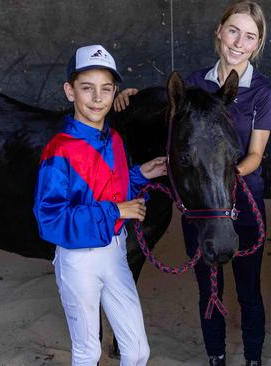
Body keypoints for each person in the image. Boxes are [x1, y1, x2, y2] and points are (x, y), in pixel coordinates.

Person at [114, 2, 271, 365]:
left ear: (257, 43)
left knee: (249, 290)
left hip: (242, 200)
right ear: (219, 31)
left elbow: (254, 156)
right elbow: (166, 113)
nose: (238, 42)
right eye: (233, 30)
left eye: (249, 36)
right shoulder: (192, 83)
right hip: (200, 206)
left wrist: (219, 176)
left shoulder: (263, 92)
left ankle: (253, 359)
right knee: (208, 288)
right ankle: (216, 357)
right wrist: (128, 96)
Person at [33, 44, 167, 366]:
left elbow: (111, 187)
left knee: (137, 351)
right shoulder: (59, 149)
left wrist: (140, 174)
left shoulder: (116, 141)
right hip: (78, 260)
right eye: (87, 88)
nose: (97, 98)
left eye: (106, 89)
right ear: (70, 92)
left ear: (114, 92)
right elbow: (49, 218)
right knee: (88, 351)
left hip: (114, 252)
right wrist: (117, 211)